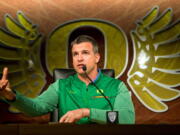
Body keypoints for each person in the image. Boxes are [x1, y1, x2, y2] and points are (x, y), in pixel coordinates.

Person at [0, 35, 135, 124]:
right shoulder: (61, 86)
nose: (79, 58)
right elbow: (35, 108)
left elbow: (127, 119)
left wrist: (86, 112)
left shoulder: (116, 86)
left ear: (97, 57)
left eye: (85, 53)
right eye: (75, 54)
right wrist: (11, 96)